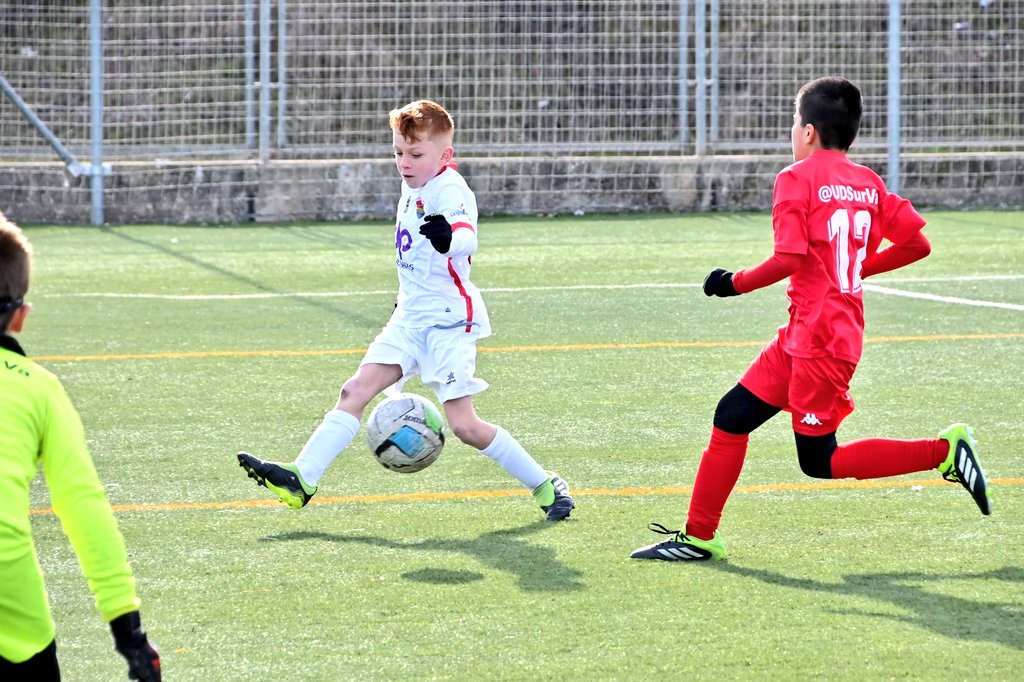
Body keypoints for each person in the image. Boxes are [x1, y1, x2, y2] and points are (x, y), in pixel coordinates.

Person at [630, 76, 992, 562]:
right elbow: (917, 244)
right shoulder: (868, 181)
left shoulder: (794, 178)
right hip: (809, 332)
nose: (792, 132)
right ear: (852, 137)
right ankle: (697, 537)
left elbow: (789, 257)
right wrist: (858, 266)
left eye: (793, 123)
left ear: (807, 132)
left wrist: (732, 282)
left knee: (819, 461)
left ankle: (943, 452)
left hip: (822, 341)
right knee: (731, 416)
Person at [238, 99, 575, 521]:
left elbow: (466, 238)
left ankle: (545, 484)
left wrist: (447, 239)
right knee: (354, 391)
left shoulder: (450, 189)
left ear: (444, 155)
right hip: (409, 318)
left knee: (466, 427)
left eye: (415, 154)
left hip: (448, 321)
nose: (405, 162)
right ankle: (302, 479)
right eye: (398, 152)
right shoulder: (412, 182)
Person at [0, 213, 161, 680]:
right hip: (14, 618)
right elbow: (83, 507)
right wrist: (128, 631)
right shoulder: (38, 389)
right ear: (21, 316)